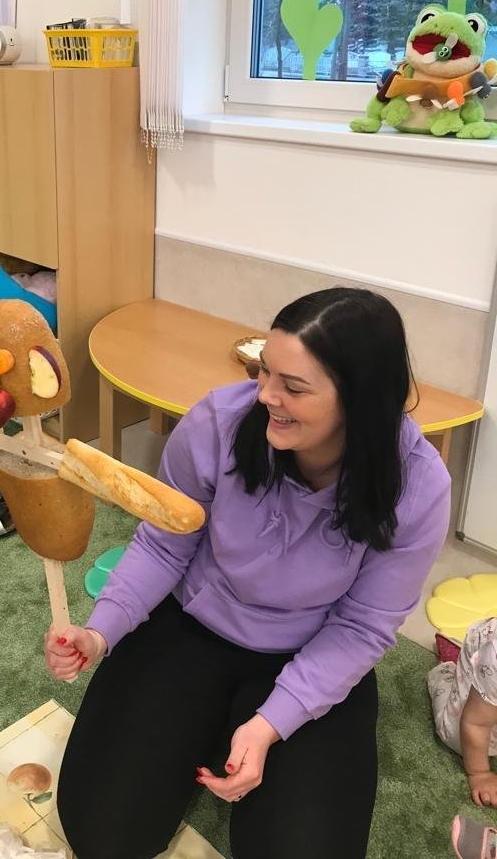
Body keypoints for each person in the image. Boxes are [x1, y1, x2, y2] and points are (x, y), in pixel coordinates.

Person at [44, 288, 451, 859]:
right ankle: (201, 723)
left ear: (360, 400)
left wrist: (269, 725)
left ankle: (228, 726)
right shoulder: (218, 422)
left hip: (309, 648)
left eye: (293, 387)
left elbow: (362, 627)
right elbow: (163, 545)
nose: (265, 396)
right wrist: (99, 632)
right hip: (191, 624)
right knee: (102, 837)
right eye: (264, 372)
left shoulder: (418, 485)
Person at [429, 617, 497, 808]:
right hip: (482, 665)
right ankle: (446, 668)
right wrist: (480, 773)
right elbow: (476, 723)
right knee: (457, 737)